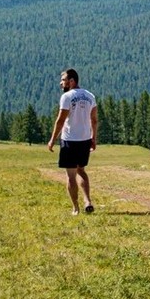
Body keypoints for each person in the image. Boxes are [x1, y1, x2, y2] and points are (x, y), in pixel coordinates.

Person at [47, 68, 98, 215]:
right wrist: (93, 138)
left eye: (63, 80)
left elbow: (60, 120)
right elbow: (94, 120)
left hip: (69, 140)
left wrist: (52, 140)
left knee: (71, 176)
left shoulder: (67, 97)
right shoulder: (90, 96)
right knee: (81, 170)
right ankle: (87, 201)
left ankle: (76, 208)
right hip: (85, 139)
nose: (61, 83)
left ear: (71, 81)